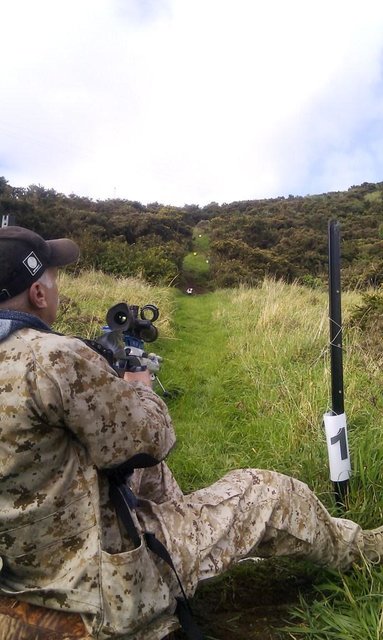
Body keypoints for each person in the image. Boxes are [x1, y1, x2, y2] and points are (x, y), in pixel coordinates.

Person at [0, 225, 382, 640]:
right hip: (97, 591)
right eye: (53, 277)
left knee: (150, 474)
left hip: (26, 565)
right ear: (38, 293)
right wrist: (139, 390)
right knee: (268, 493)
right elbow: (154, 439)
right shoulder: (49, 357)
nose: (58, 286)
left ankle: (196, 554)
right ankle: (366, 552)